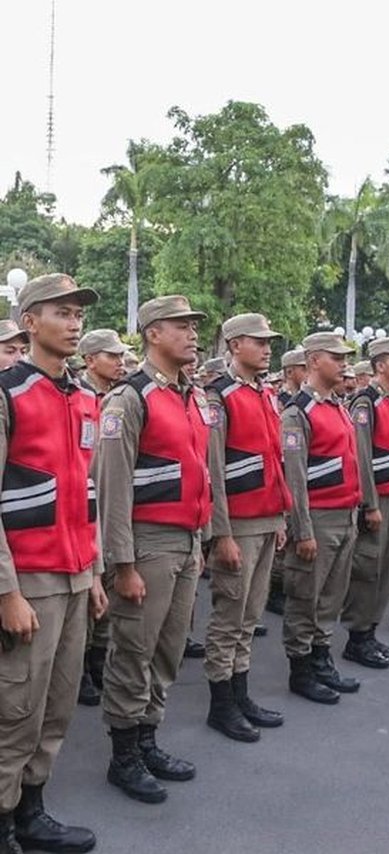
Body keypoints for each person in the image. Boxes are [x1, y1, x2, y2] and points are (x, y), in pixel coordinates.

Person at [0, 273, 107, 854]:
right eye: (60, 312)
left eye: (77, 313)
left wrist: (90, 571)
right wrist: (6, 592)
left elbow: (85, 493)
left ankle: (32, 811)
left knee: (58, 705)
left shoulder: (85, 396)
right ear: (30, 323)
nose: (74, 322)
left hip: (72, 574)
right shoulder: (7, 392)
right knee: (15, 707)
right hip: (28, 578)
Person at [97, 295, 211, 805]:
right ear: (152, 334)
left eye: (193, 326)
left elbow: (197, 471)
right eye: (180, 326)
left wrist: (200, 539)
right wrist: (122, 564)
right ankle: (124, 755)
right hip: (146, 544)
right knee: (134, 651)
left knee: (167, 649)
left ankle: (148, 739)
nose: (191, 334)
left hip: (185, 541)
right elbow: (113, 487)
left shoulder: (190, 394)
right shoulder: (130, 397)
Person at [204, 313, 292, 743]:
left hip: (265, 516)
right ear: (235, 344)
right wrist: (221, 533)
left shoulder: (266, 393)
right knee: (229, 616)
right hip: (237, 522)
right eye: (258, 341)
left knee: (250, 615)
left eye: (269, 341)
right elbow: (214, 471)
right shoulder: (219, 397)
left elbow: (274, 460)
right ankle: (221, 703)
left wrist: (280, 516)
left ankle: (241, 692)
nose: (267, 347)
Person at [281, 332, 361, 703]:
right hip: (319, 517)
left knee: (331, 595)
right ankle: (301, 668)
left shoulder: (337, 406)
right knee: (305, 596)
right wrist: (303, 530)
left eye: (346, 357)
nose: (344, 363)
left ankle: (321, 657)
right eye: (336, 357)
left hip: (345, 514)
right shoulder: (299, 411)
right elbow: (295, 478)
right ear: (314, 361)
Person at [342, 337, 389, 668]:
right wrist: (369, 504)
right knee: (368, 568)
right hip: (379, 500)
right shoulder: (365, 403)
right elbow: (362, 456)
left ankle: (371, 632)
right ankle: (358, 637)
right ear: (380, 366)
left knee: (387, 568)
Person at [77, 329, 131, 706]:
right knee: (83, 598)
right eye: (112, 356)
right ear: (91, 360)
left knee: (106, 591)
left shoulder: (116, 398)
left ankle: (97, 660)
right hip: (80, 502)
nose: (121, 362)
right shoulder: (79, 395)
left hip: (105, 500)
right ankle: (80, 666)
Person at [79, 328, 129, 396]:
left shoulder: (124, 389)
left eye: (121, 355)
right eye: (112, 356)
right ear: (90, 361)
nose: (121, 362)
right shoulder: (79, 393)